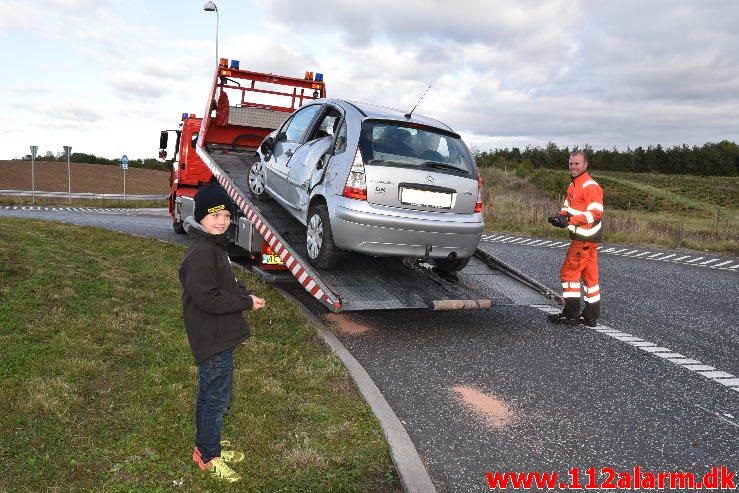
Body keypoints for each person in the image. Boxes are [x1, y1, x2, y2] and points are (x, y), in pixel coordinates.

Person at [179, 185, 266, 483]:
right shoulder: (203, 252)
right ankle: (208, 455)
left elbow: (223, 286)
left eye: (227, 215)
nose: (222, 221)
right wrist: (245, 303)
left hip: (217, 336)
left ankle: (204, 447)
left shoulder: (214, 247)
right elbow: (208, 298)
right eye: (215, 215)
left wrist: (244, 293)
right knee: (216, 399)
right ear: (201, 216)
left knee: (210, 395)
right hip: (213, 339)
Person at [547, 150, 604, 327]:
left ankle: (570, 315)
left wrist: (570, 220)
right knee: (590, 278)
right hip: (588, 241)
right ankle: (590, 316)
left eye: (577, 164)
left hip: (583, 240)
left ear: (585, 165)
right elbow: (568, 206)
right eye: (571, 163)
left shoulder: (590, 186)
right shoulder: (573, 185)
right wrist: (560, 216)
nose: (573, 167)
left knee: (569, 274)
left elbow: (596, 213)